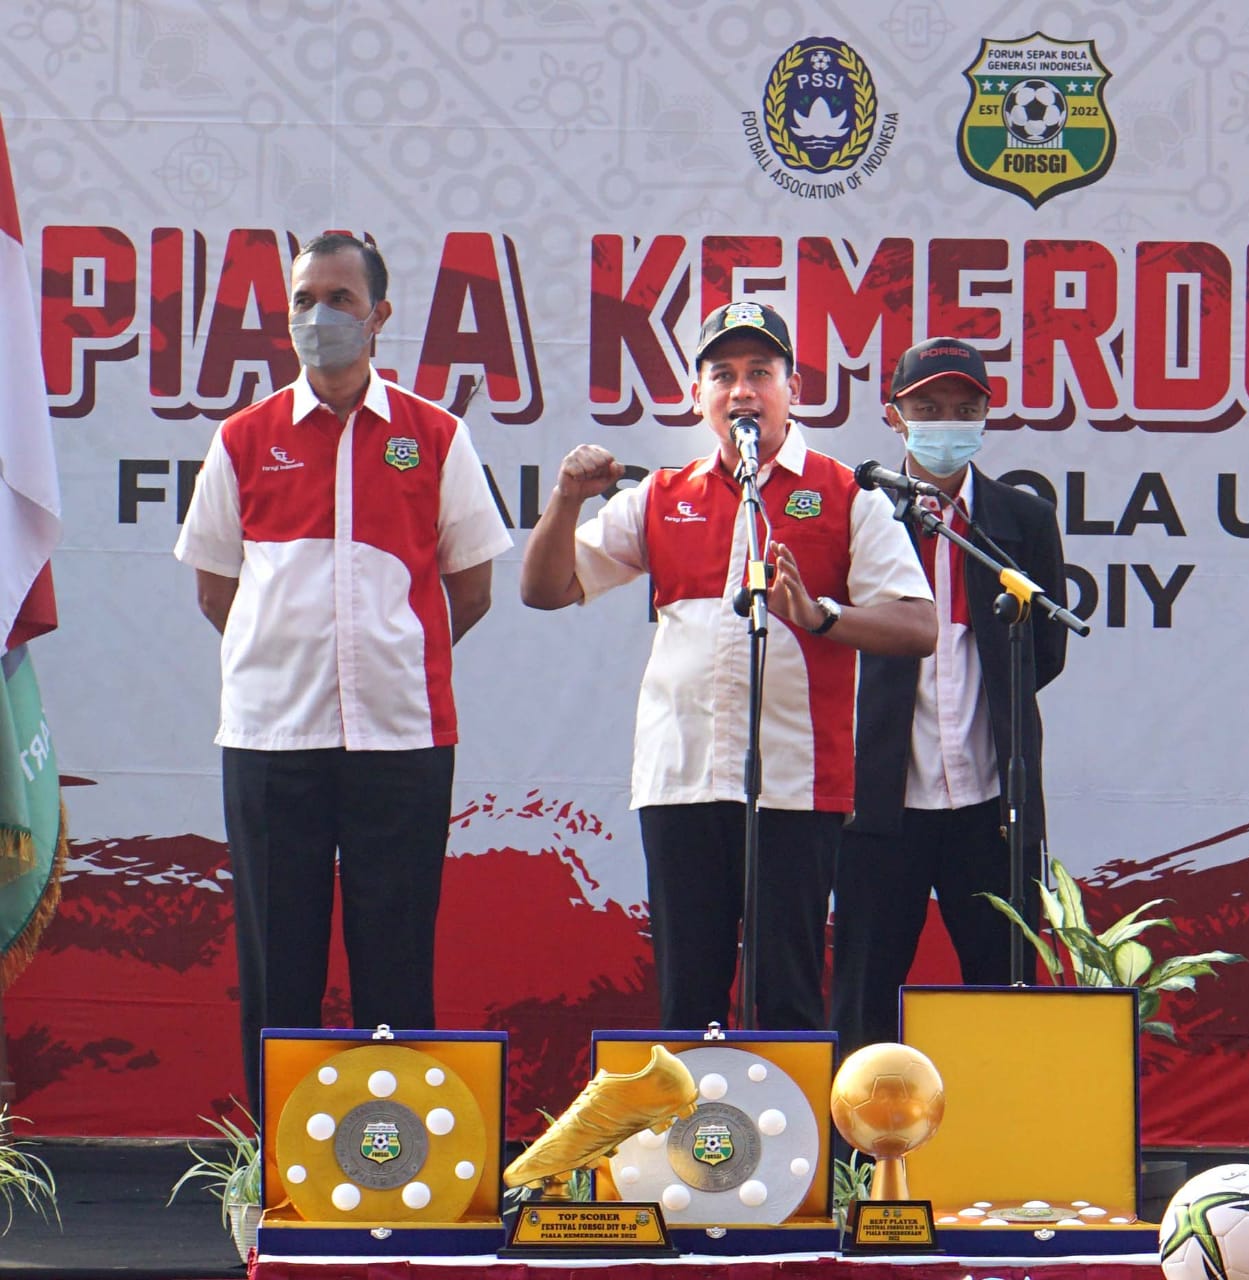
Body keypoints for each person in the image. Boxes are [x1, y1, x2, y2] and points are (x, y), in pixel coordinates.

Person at [520, 301, 936, 1032]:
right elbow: (544, 589)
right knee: (687, 994)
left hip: (794, 785)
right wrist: (563, 501)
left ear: (793, 388)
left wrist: (819, 616)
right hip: (680, 780)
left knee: (786, 994)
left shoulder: (846, 495)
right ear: (698, 397)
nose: (741, 390)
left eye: (759, 373)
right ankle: (697, 1146)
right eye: (723, 375)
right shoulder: (662, 496)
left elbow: (916, 623)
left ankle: (790, 1147)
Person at [174, 233, 512, 1111]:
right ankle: (279, 1172)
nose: (318, 318)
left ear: (379, 318)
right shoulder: (243, 440)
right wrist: (295, 664)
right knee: (276, 965)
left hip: (399, 739)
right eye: (303, 300)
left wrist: (384, 658)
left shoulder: (435, 437)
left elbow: (467, 588)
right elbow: (219, 591)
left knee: (395, 962)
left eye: (340, 300)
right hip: (270, 739)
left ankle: (400, 1165)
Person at [831, 336, 1068, 1059]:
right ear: (894, 417)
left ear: (986, 415)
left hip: (992, 806)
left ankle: (997, 1155)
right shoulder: (857, 509)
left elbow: (1043, 653)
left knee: (1001, 993)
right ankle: (852, 1166)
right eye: (927, 408)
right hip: (876, 809)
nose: (946, 422)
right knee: (863, 995)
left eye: (963, 408)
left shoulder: (1018, 519)